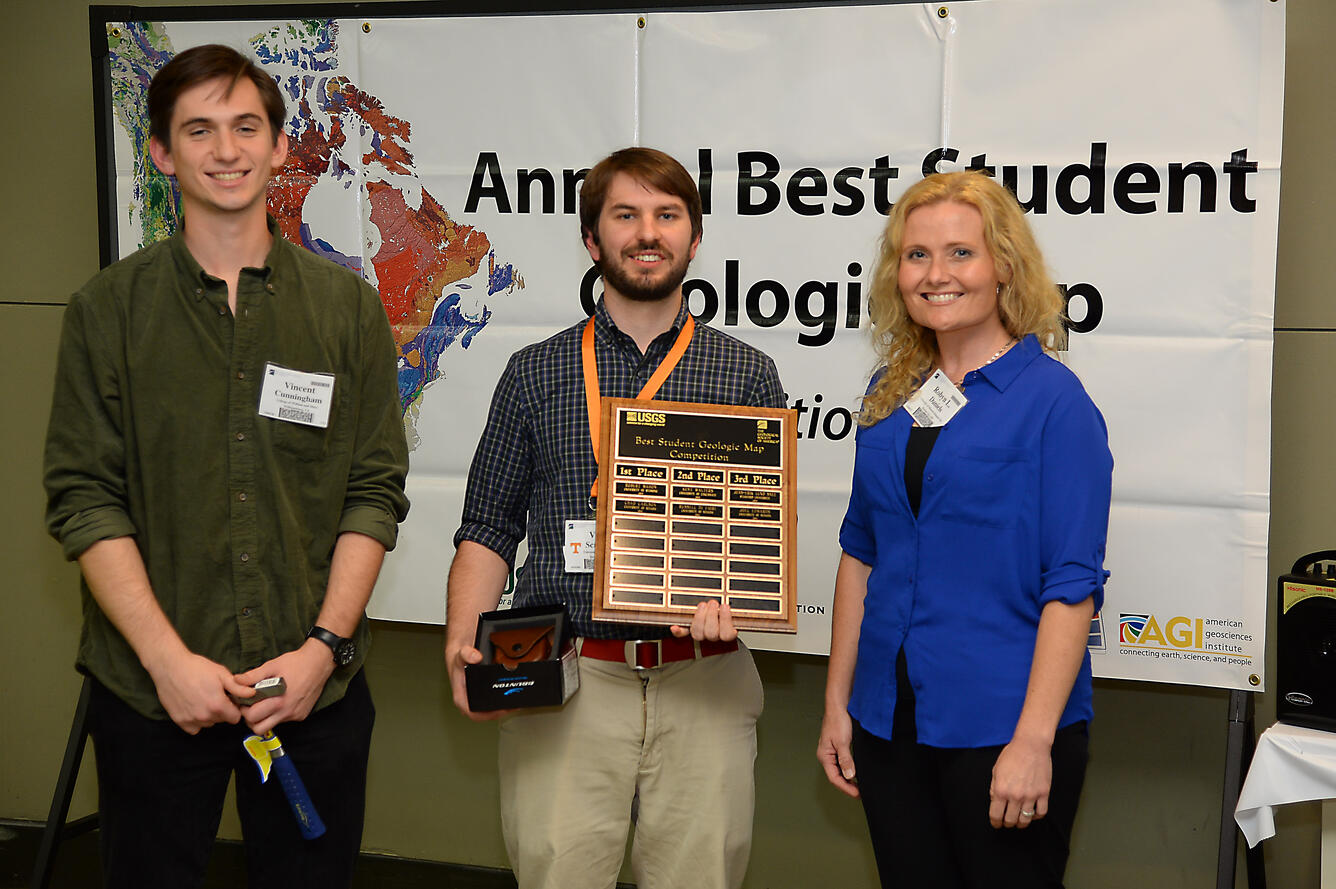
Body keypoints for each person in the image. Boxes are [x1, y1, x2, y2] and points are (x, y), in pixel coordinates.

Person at [42, 44, 409, 888]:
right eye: (199, 130)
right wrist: (170, 663)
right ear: (163, 153)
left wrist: (321, 650)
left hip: (311, 697)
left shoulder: (345, 307)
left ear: (281, 146)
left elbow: (372, 489)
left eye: (247, 127)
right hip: (152, 697)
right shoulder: (109, 311)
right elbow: (85, 499)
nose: (227, 150)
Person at [444, 147, 785, 889]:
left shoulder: (745, 372)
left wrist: (738, 599)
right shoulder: (536, 370)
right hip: (568, 680)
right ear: (593, 241)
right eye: (625, 215)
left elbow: (756, 537)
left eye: (667, 215)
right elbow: (487, 527)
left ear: (695, 239)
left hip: (704, 680)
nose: (647, 233)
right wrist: (460, 641)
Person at [816, 171, 1112, 888]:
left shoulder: (1054, 403)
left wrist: (1034, 740)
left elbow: (1073, 586)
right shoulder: (891, 394)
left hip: (1002, 728)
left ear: (1004, 265)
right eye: (916, 255)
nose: (936, 274)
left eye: (960, 254)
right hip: (888, 724)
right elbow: (861, 554)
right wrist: (837, 703)